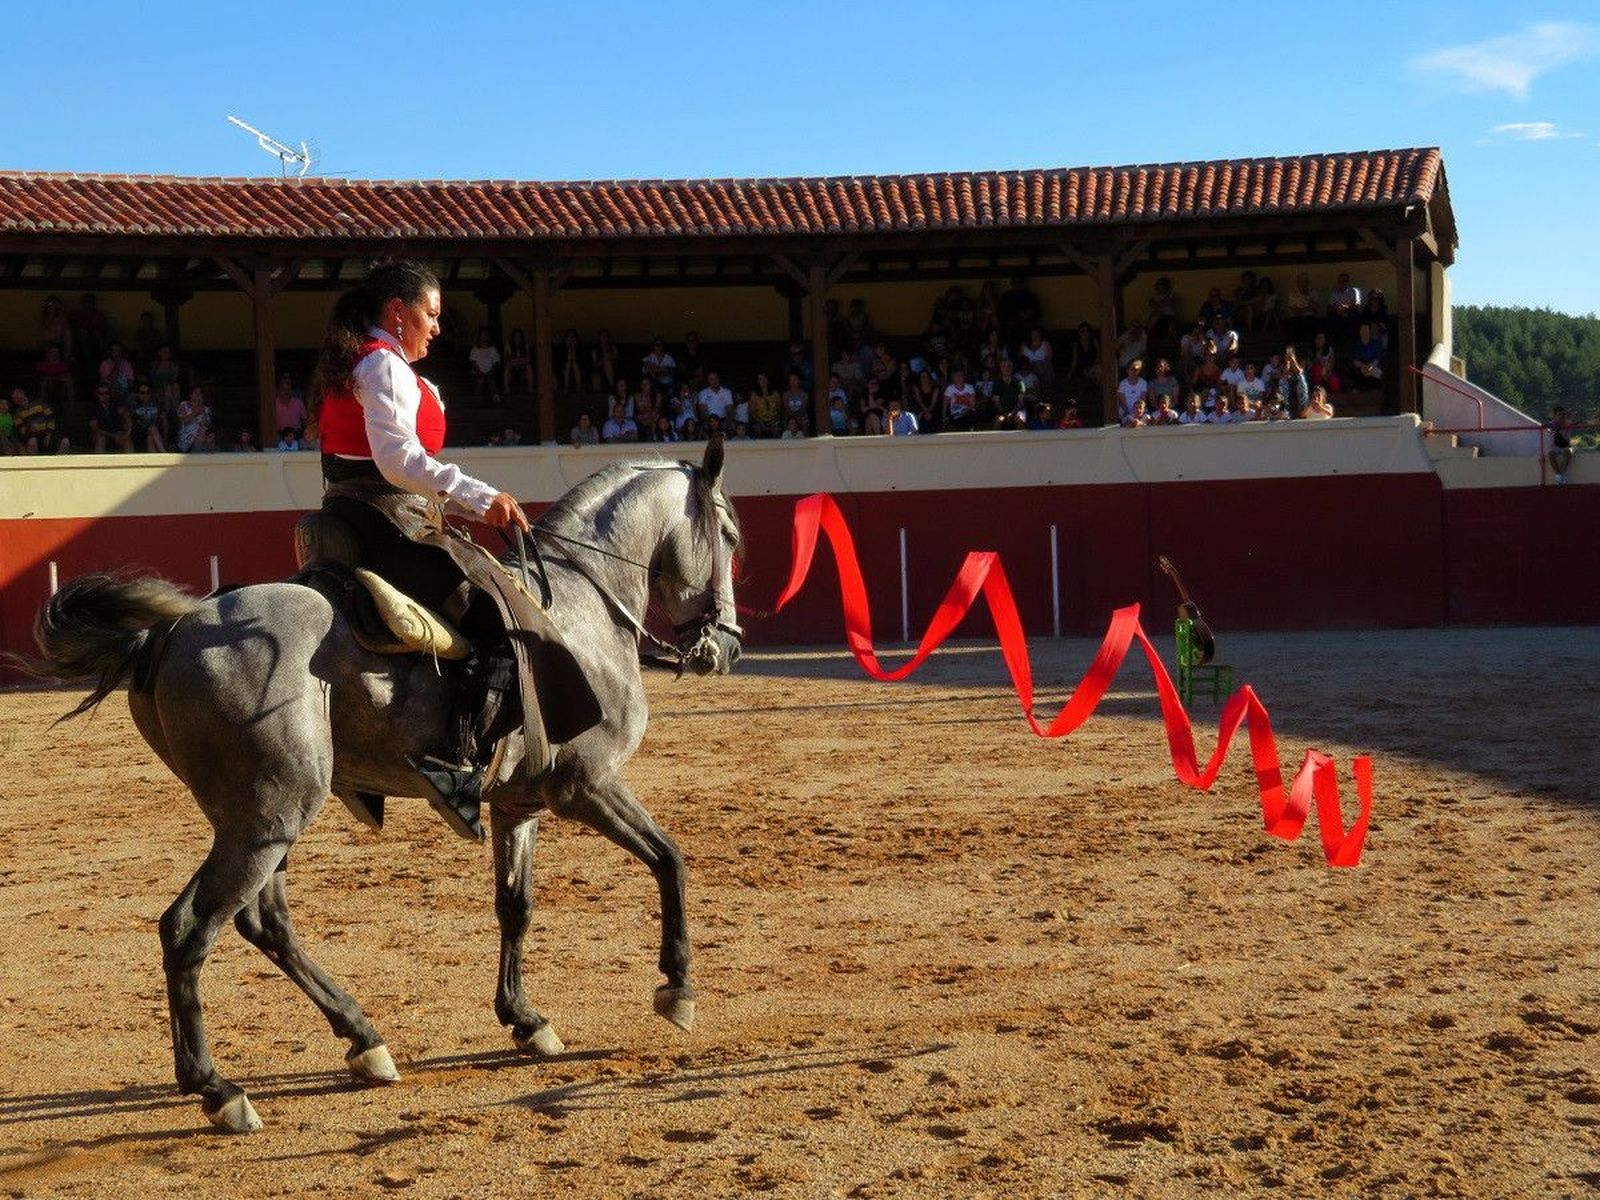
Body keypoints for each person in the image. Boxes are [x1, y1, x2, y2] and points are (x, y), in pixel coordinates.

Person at [305, 259, 601, 841]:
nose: (437, 328)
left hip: (358, 515)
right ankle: (453, 759)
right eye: (431, 314)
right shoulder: (384, 365)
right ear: (399, 312)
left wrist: (464, 502)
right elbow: (399, 464)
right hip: (388, 522)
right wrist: (479, 494)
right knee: (498, 615)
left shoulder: (357, 362)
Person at [1548, 406, 1575, 484]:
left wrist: (1570, 415)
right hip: (1555, 446)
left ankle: (1561, 476)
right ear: (1555, 415)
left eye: (1563, 414)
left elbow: (1575, 422)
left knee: (1567, 453)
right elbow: (1552, 426)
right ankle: (1558, 476)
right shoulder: (1553, 423)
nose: (1562, 416)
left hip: (1566, 446)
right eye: (1559, 414)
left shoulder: (1568, 422)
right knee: (1550, 454)